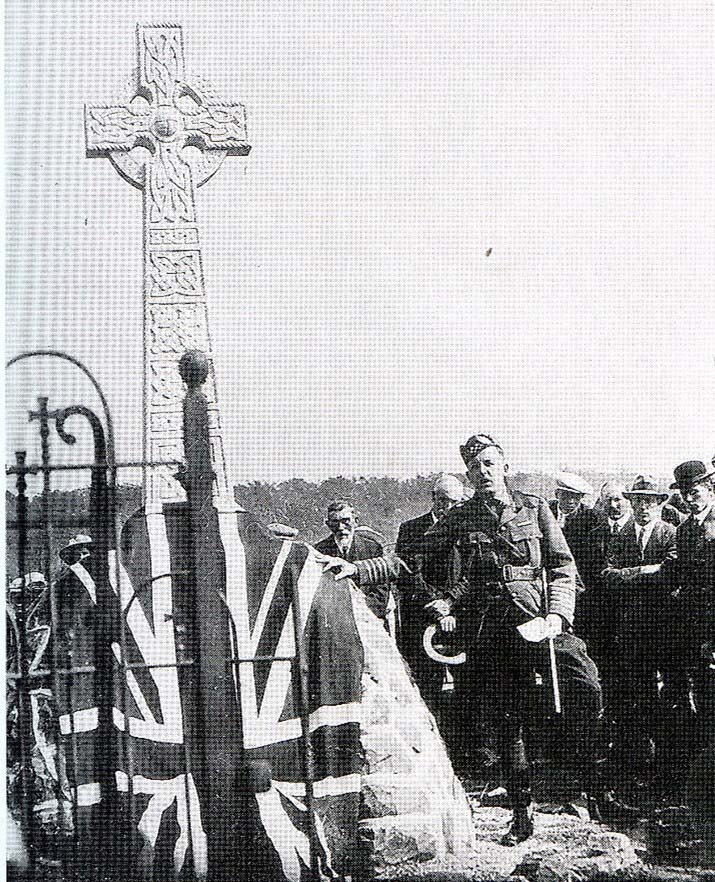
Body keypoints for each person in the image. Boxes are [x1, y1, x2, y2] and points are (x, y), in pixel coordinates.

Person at [401, 434, 603, 844]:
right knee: (508, 723)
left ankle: (588, 789)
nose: (483, 472)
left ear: (505, 467)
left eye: (490, 464)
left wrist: (557, 615)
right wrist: (361, 570)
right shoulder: (462, 516)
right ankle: (521, 812)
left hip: (539, 623)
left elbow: (563, 567)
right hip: (491, 633)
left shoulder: (534, 508)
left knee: (587, 687)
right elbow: (408, 559)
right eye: (474, 468)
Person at [600, 475, 677, 768]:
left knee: (670, 692)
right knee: (637, 692)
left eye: (649, 502)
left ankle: (668, 759)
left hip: (665, 627)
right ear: (631, 504)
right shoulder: (621, 536)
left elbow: (671, 573)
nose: (643, 508)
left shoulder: (671, 533)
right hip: (630, 627)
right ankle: (638, 758)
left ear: (658, 504)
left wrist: (631, 574)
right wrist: (645, 571)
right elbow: (608, 575)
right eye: (638, 502)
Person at [394, 474, 466, 700]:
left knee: (468, 688)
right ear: (433, 498)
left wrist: (449, 603)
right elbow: (408, 574)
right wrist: (435, 605)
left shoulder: (469, 530)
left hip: (460, 616)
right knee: (425, 689)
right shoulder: (410, 529)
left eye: (455, 502)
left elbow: (473, 574)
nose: (449, 507)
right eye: (444, 500)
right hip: (421, 616)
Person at [663, 462, 715, 753]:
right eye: (685, 494)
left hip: (711, 628)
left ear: (709, 489)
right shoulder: (684, 530)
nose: (690, 499)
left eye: (695, 492)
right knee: (699, 695)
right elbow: (681, 577)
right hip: (691, 626)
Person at [315, 501, 388, 619]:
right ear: (328, 524)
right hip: (335, 617)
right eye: (335, 522)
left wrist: (362, 614)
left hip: (368, 616)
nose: (340, 527)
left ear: (356, 521)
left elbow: (381, 591)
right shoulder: (319, 551)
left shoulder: (373, 548)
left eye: (346, 521)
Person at [549, 472, 598, 586]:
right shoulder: (546, 511)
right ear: (557, 494)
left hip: (578, 573)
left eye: (576, 496)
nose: (571, 501)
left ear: (581, 497)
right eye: (566, 495)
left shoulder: (590, 518)